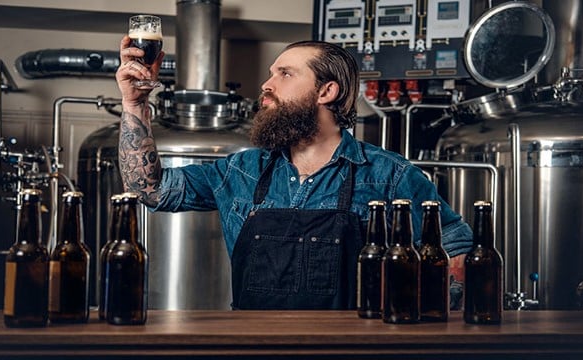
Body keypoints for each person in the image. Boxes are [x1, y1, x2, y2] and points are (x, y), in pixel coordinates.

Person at [115, 36, 472, 310]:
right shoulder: (241, 170)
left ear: (326, 91)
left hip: (352, 350)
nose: (266, 84)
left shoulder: (388, 175)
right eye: (271, 74)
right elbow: (151, 190)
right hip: (254, 347)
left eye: (284, 74)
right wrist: (135, 104)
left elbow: (457, 249)